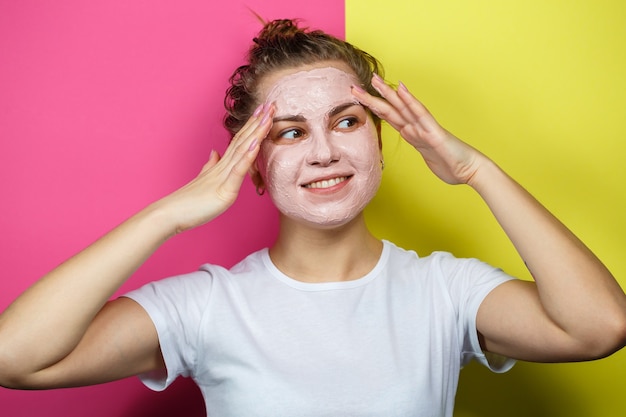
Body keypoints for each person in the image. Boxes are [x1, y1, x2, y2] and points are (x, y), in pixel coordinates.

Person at [0, 18, 625, 417]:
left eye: (346, 121)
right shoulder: (205, 307)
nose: (324, 151)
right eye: (291, 132)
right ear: (254, 165)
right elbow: (14, 357)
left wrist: (475, 172)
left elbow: (599, 328)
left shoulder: (446, 291)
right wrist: (165, 215)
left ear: (381, 142)